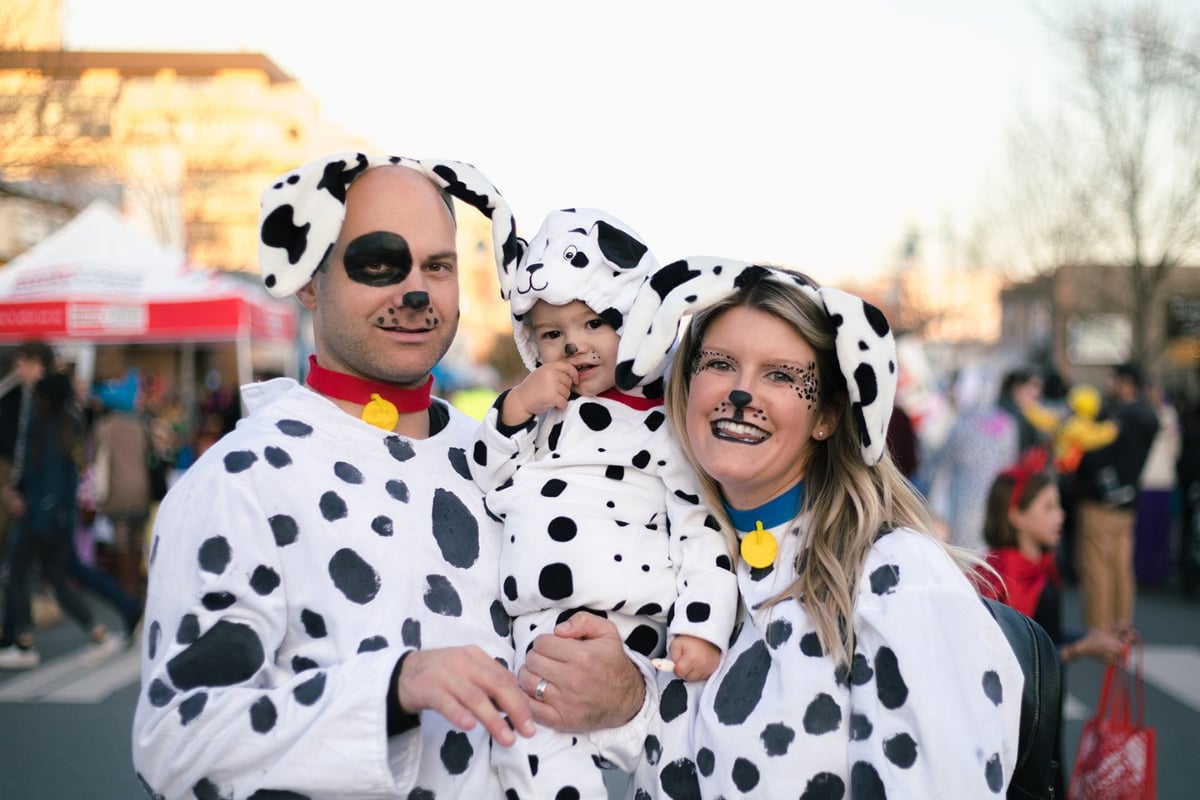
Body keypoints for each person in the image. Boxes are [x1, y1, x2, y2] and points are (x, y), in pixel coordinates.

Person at [131, 152, 649, 799]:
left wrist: (628, 693)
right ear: (309, 281)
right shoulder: (242, 481)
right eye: (379, 263)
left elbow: (652, 700)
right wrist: (395, 688)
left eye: (438, 266)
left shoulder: (518, 457)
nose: (415, 292)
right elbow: (178, 743)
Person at [614, 258, 1023, 797]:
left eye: (781, 375)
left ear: (827, 416)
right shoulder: (663, 560)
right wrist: (624, 697)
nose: (741, 393)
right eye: (718, 364)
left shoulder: (897, 579)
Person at [470, 208, 737, 797]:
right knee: (530, 765)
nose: (574, 345)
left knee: (670, 767)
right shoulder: (534, 421)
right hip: (535, 639)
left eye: (594, 323)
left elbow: (699, 527)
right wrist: (514, 409)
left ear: (636, 321)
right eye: (551, 334)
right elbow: (485, 484)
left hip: (633, 632)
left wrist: (704, 624)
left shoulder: (663, 424)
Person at [980, 458, 1129, 798]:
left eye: (1059, 505)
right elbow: (1019, 659)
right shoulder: (1013, 577)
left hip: (1043, 715)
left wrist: (1094, 635)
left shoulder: (1036, 570)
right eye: (1048, 507)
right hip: (1026, 723)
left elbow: (1045, 635)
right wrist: (1083, 649)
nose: (1060, 515)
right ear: (1015, 514)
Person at [0, 373, 122, 668]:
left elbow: (49, 478)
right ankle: (98, 633)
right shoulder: (69, 424)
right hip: (58, 517)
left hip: (42, 518)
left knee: (15, 572)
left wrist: (35, 511)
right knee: (56, 578)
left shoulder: (49, 427)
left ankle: (24, 642)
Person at [1073, 362, 1159, 631]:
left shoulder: (1114, 419)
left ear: (1126, 383)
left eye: (1113, 380)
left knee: (1097, 567)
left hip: (1098, 501)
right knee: (1122, 567)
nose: (1109, 384)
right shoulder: (1150, 418)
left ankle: (1099, 628)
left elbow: (1093, 454)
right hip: (1128, 502)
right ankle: (1122, 623)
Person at [915, 375, 1019, 553]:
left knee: (965, 551)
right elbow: (1011, 462)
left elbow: (941, 460)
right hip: (997, 499)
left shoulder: (963, 422)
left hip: (964, 501)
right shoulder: (1007, 423)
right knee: (991, 551)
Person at [90, 369, 152, 602]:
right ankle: (136, 586)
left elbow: (93, 459)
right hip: (142, 490)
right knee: (137, 541)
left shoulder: (104, 427)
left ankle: (126, 592)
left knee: (122, 542)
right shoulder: (142, 426)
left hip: (117, 492)